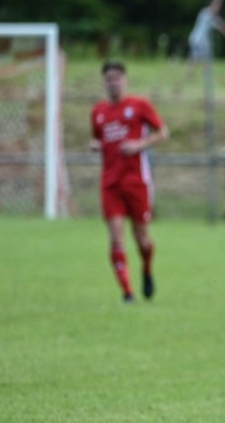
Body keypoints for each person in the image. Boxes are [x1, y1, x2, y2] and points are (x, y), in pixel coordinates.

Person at [90, 61, 169, 303]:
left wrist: (139, 145)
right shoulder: (98, 112)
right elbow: (97, 139)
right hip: (110, 183)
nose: (113, 81)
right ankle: (127, 291)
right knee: (115, 237)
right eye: (109, 78)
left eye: (117, 77)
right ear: (104, 81)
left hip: (136, 182)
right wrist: (95, 145)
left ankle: (146, 269)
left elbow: (163, 132)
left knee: (142, 238)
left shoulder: (139, 105)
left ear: (125, 80)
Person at [186, 0, 225, 80]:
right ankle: (200, 77)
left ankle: (199, 77)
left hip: (199, 41)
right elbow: (218, 24)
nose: (217, 8)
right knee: (198, 60)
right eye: (216, 5)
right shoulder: (206, 13)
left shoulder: (209, 14)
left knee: (198, 60)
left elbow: (218, 24)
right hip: (199, 41)